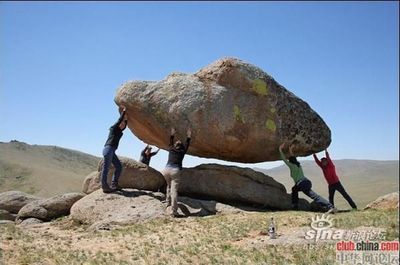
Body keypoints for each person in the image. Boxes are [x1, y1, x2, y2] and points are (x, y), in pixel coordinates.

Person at [279, 143, 336, 213]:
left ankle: (330, 207)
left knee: (314, 196)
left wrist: (280, 149)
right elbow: (293, 158)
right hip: (306, 182)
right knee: (294, 189)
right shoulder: (298, 165)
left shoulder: (292, 166)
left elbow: (284, 159)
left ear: (290, 162)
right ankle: (295, 205)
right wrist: (290, 149)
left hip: (302, 184)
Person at [161, 127, 191, 217]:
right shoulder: (182, 151)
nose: (177, 141)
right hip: (175, 170)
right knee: (174, 190)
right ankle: (173, 211)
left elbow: (170, 141)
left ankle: (167, 203)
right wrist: (189, 136)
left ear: (175, 145)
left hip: (166, 170)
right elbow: (187, 144)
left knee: (169, 186)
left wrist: (172, 134)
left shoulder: (171, 149)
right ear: (181, 147)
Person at [100, 107, 128, 193]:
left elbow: (123, 125)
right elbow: (119, 121)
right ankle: (104, 186)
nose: (122, 125)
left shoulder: (120, 132)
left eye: (124, 125)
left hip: (112, 151)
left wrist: (126, 121)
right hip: (108, 149)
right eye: (122, 123)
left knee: (119, 166)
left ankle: (114, 184)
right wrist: (123, 112)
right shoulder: (113, 128)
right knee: (106, 168)